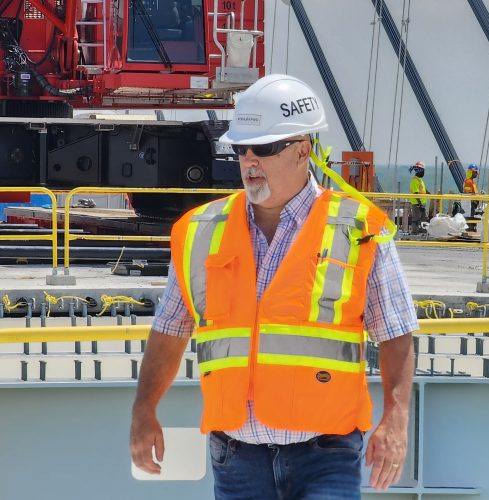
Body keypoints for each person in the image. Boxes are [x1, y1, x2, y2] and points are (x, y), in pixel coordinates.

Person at [130, 74, 418, 499]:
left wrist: (396, 418)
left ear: (302, 150)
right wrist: (143, 410)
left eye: (263, 148)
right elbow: (171, 330)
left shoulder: (360, 229)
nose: (249, 160)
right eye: (240, 148)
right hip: (236, 457)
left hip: (326, 456)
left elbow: (395, 332)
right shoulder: (200, 231)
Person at [408, 161, 428, 233]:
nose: (424, 173)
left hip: (422, 203)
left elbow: (424, 189)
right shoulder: (414, 181)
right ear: (419, 171)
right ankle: (415, 232)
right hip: (417, 204)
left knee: (424, 218)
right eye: (423, 171)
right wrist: (420, 204)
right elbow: (416, 194)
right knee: (416, 219)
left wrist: (431, 194)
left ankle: (423, 232)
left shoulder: (420, 180)